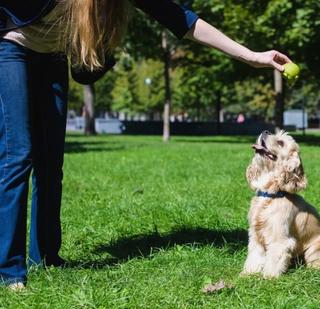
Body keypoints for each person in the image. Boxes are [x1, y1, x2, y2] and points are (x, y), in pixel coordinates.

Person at [0, 0, 292, 291]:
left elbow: (182, 20)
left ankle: (47, 258)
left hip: (52, 56)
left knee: (51, 163)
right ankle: (11, 271)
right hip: (10, 45)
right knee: (18, 154)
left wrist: (252, 56)